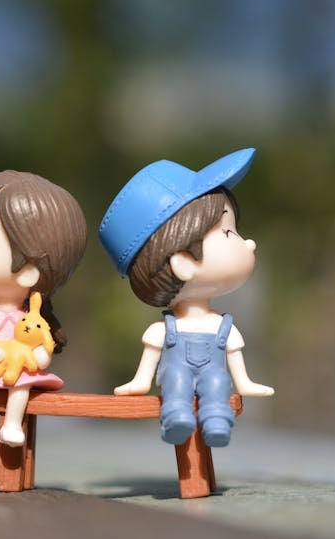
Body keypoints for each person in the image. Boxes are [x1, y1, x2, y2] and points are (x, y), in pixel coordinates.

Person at [99, 148, 273, 447]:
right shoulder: (163, 329)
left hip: (212, 373)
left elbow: (234, 360)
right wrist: (140, 383)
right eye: (228, 232)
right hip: (175, 372)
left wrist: (244, 383)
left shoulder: (222, 326)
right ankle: (175, 418)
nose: (249, 242)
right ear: (183, 261)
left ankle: (217, 421)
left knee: (218, 381)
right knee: (175, 381)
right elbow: (151, 361)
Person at [0, 171, 86, 447]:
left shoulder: (32, 322)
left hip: (17, 372)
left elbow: (43, 356)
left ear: (28, 271)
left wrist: (29, 357)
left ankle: (12, 425)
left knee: (21, 386)